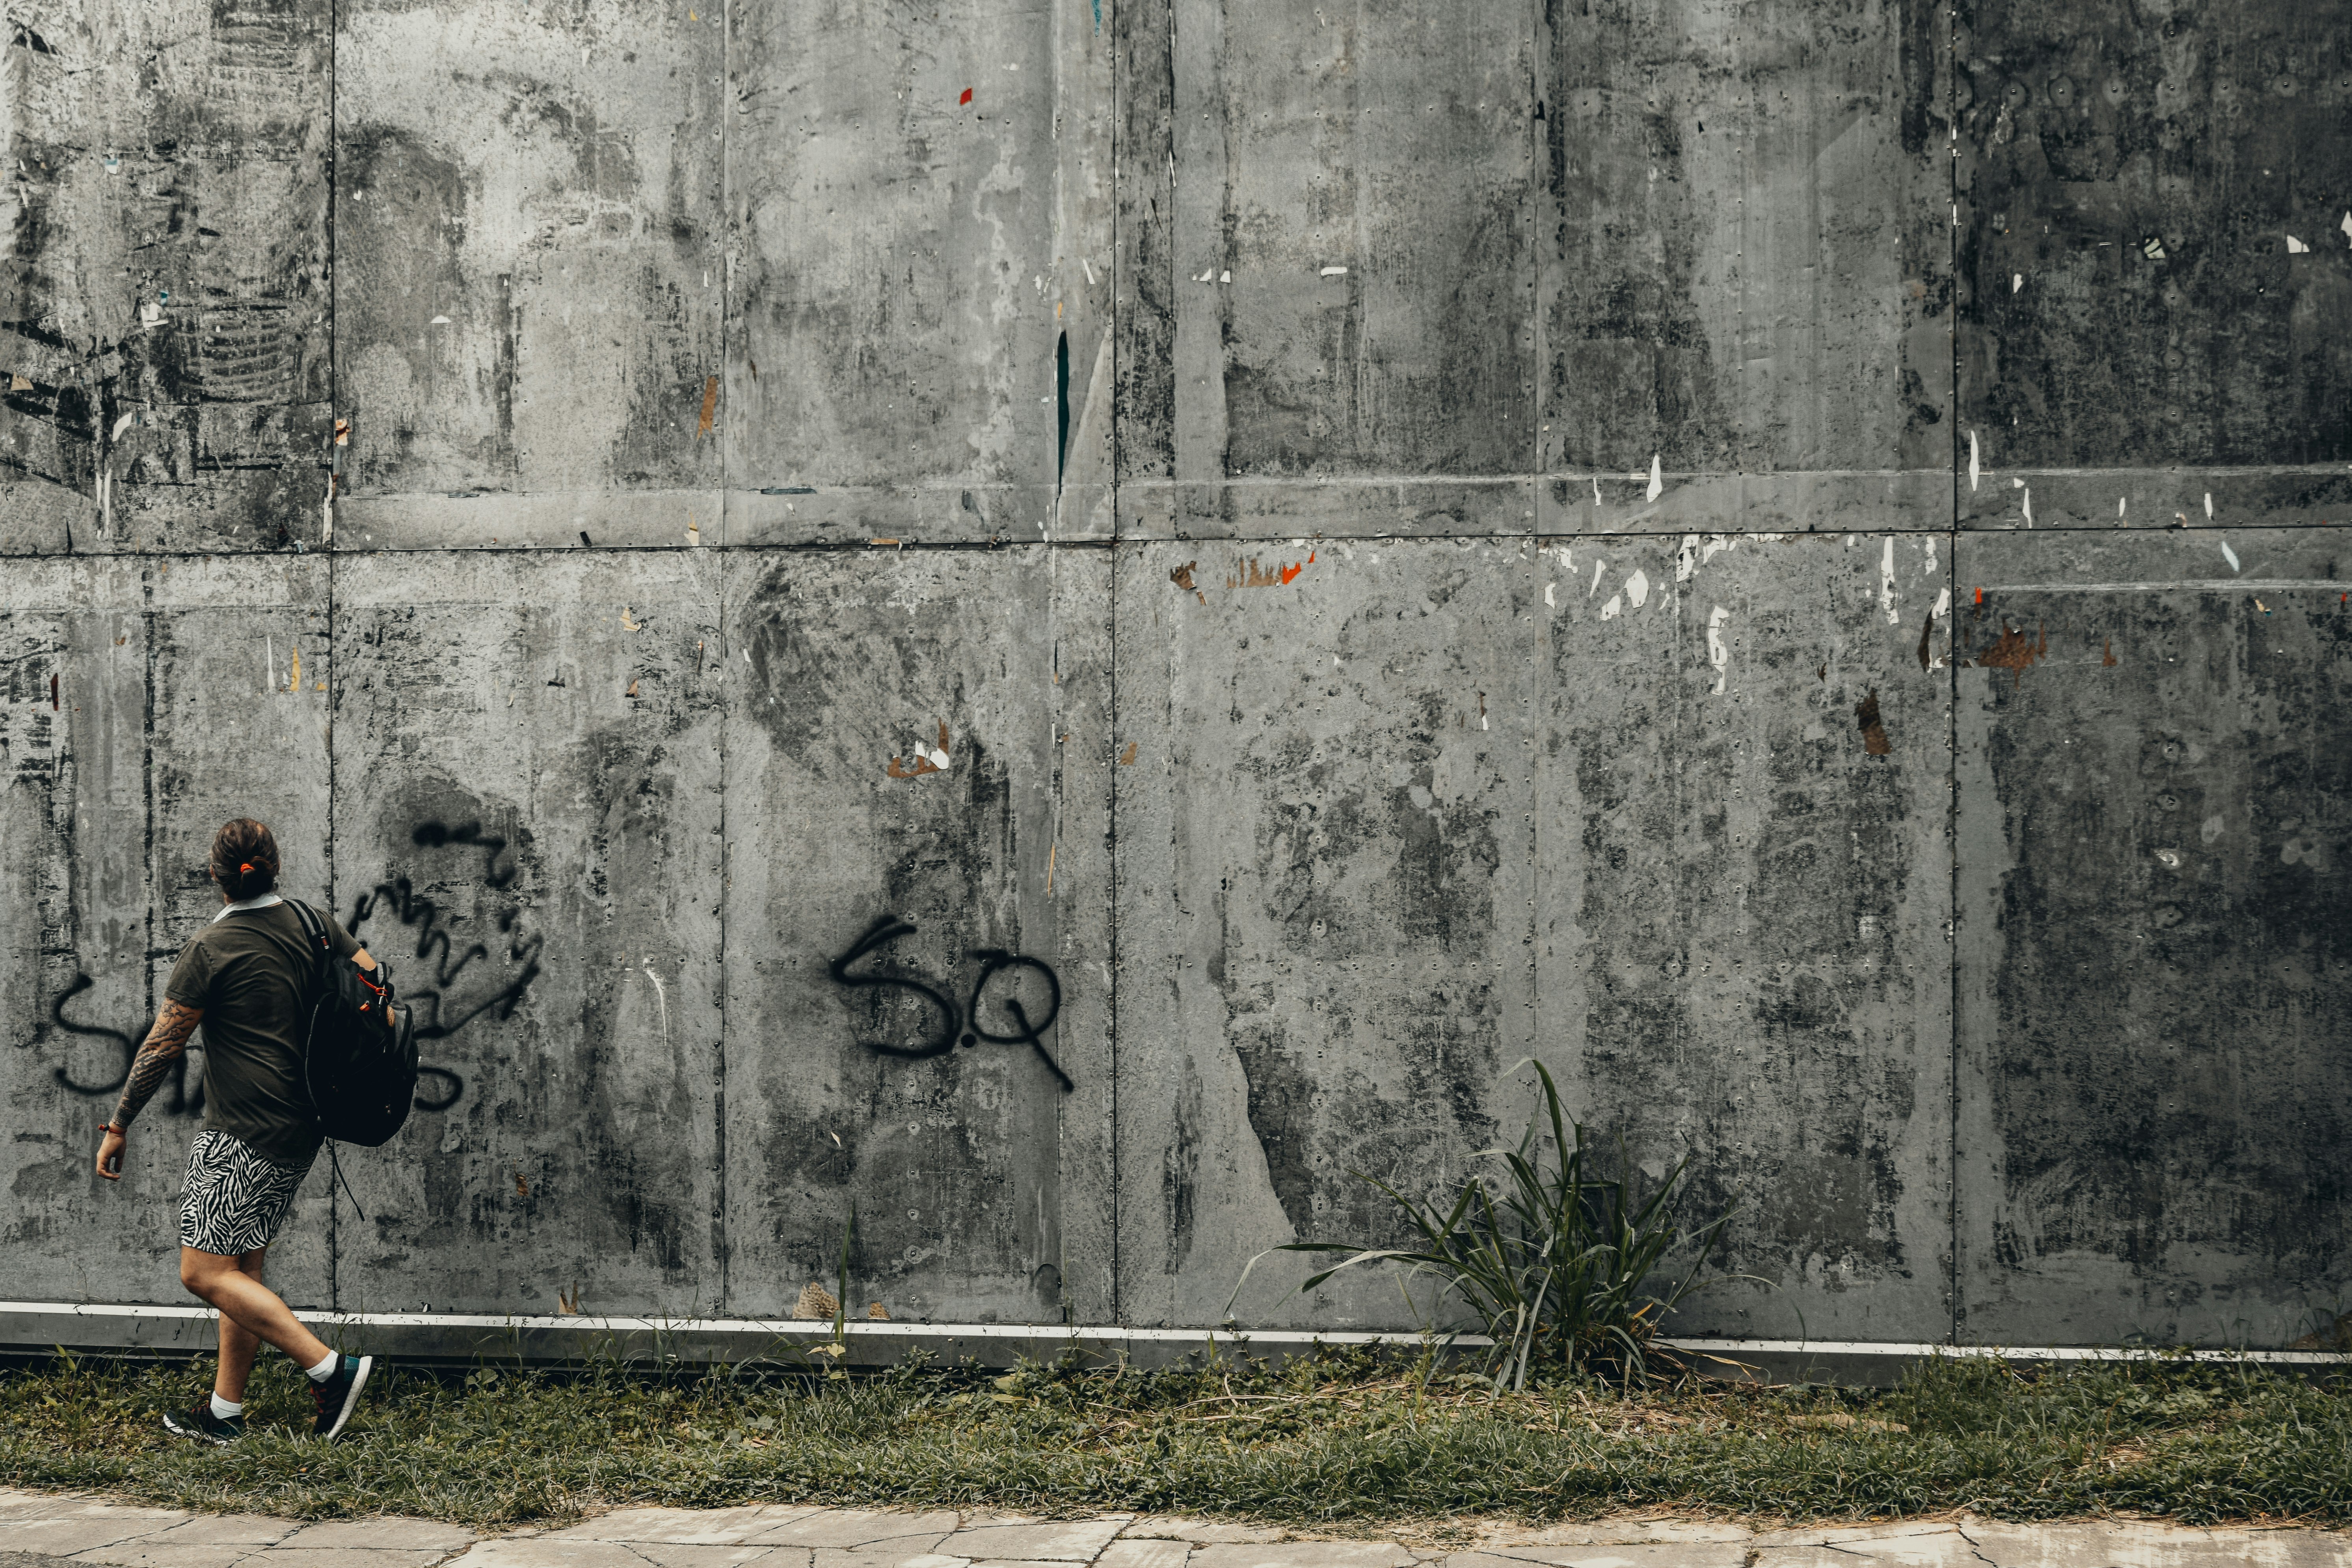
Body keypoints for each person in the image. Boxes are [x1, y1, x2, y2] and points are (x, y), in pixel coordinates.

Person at [95, 818, 380, 1444]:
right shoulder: (312, 923)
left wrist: (118, 1124)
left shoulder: (212, 949)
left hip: (241, 1134)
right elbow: (375, 982)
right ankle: (225, 1413)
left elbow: (162, 1048)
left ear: (214, 876)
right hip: (302, 1127)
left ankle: (332, 1370)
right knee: (241, 1274)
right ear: (275, 866)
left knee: (201, 1274)